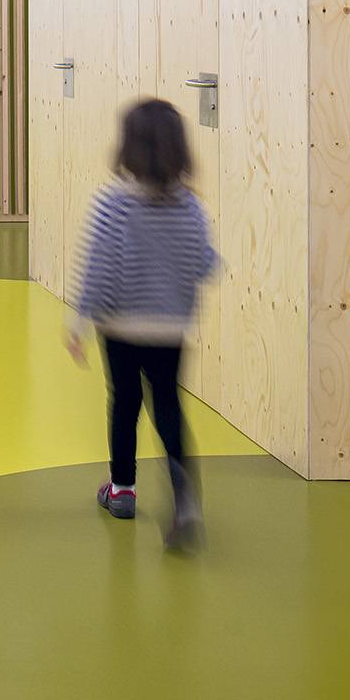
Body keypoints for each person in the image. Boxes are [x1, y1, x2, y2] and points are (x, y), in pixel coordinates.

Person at [65, 97, 217, 551]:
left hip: (121, 328)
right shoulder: (190, 207)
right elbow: (203, 264)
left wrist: (78, 322)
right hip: (169, 327)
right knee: (168, 405)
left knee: (124, 403)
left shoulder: (113, 204)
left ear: (128, 147)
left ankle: (123, 490)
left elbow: (97, 270)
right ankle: (184, 499)